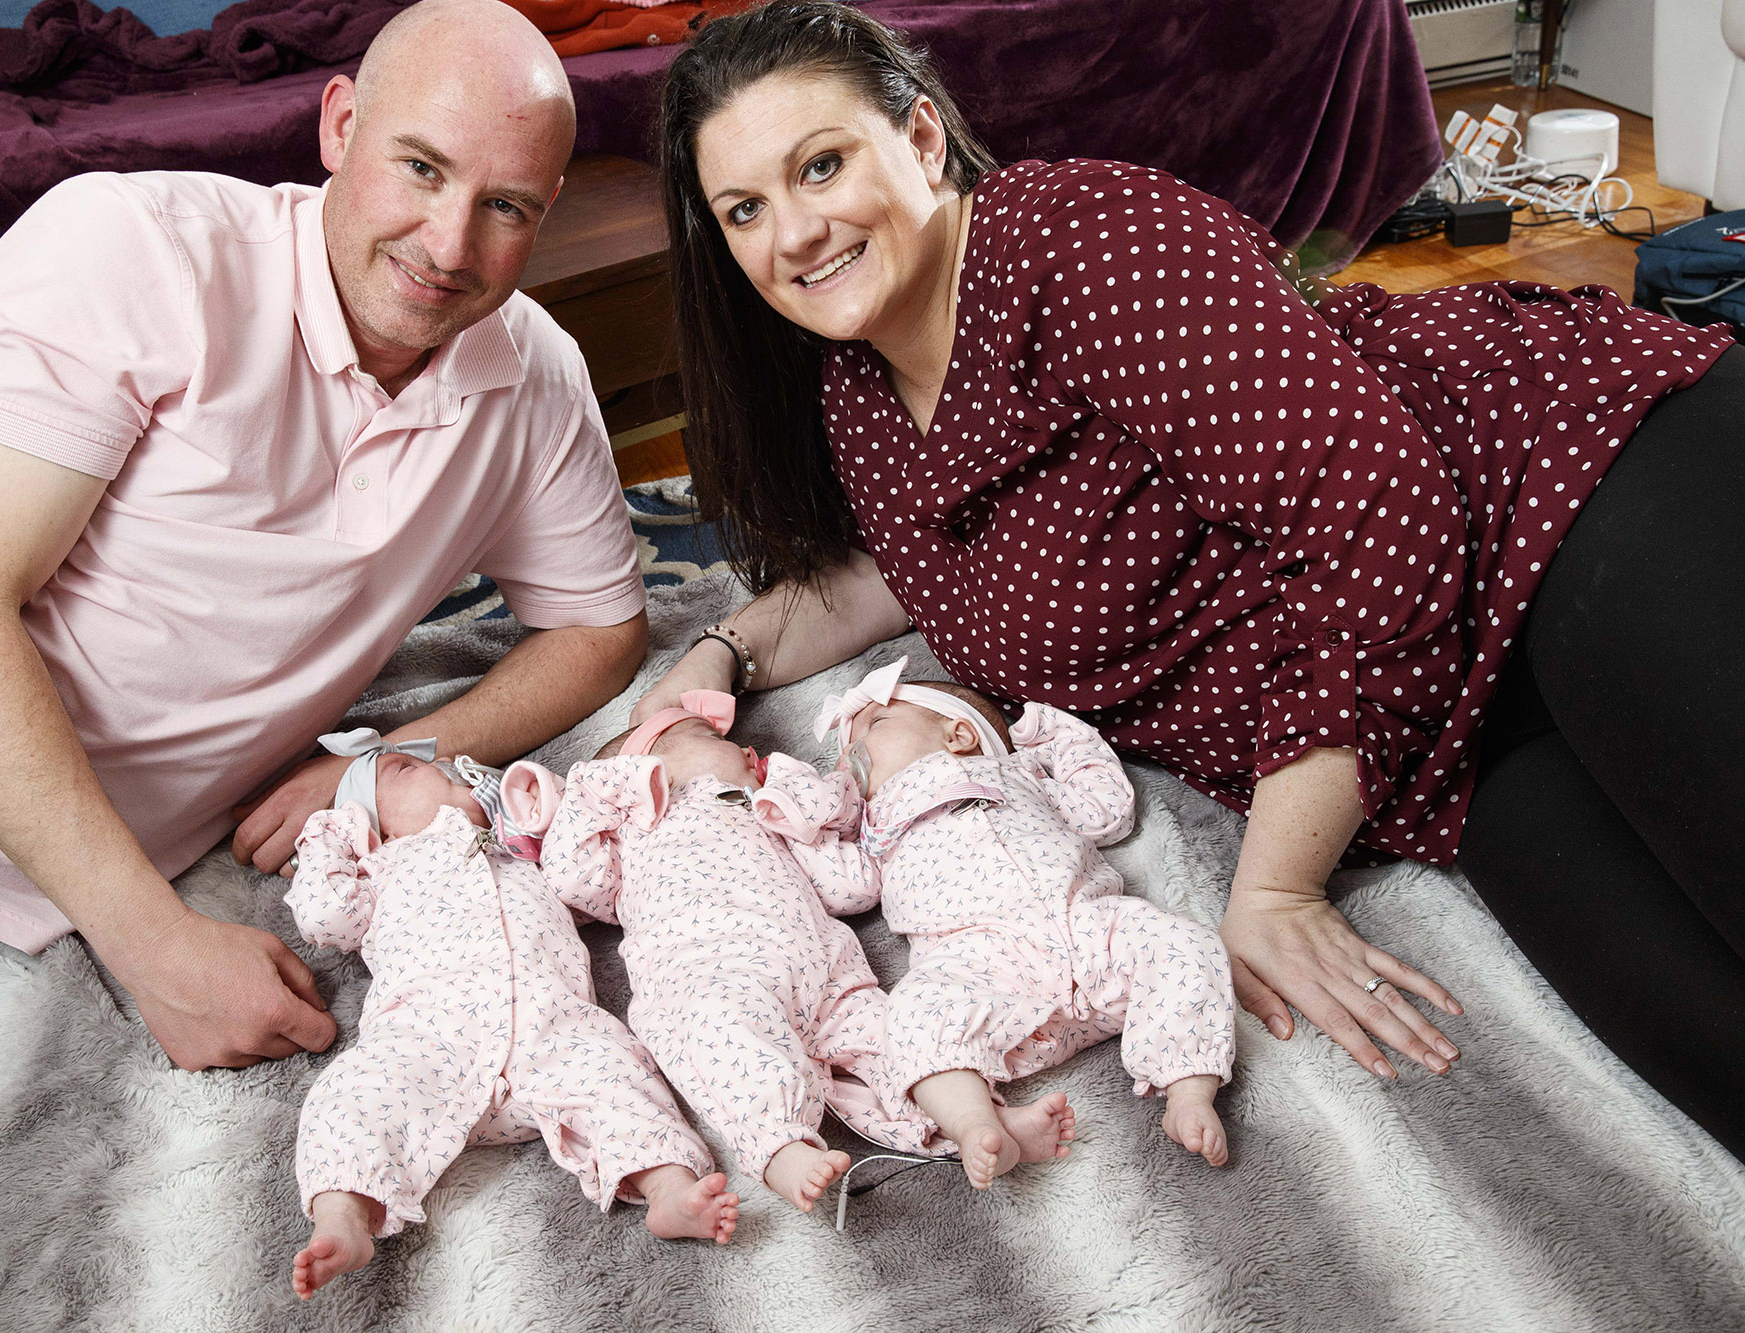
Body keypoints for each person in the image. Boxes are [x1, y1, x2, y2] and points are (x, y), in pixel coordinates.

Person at [640, 1, 1745, 1155]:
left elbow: (1380, 517)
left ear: (920, 140)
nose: (796, 234)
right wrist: (720, 654)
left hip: (1554, 491)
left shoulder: (1089, 243)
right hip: (1445, 739)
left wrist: (1270, 888)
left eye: (820, 166)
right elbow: (910, 566)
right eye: (746, 210)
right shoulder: (857, 395)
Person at [0, 0, 650, 1129]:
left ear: (545, 209)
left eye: (502, 206)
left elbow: (602, 627)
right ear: (338, 124)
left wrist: (385, 761)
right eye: (418, 168)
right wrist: (157, 947)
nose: (448, 244)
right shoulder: (137, 248)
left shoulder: (534, 378)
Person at [536, 691, 1077, 1212]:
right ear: (652, 763)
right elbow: (572, 879)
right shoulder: (636, 826)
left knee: (890, 1037)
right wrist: (600, 788)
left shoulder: (769, 812)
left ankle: (975, 1123)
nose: (749, 748)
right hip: (707, 972)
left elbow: (856, 887)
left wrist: (805, 814)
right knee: (724, 1041)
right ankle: (781, 1146)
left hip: (826, 971)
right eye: (711, 735)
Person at [286, 741, 737, 1300]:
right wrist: (330, 832)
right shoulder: (380, 871)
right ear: (372, 829)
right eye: (405, 770)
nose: (438, 768)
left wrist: (548, 811)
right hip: (429, 1040)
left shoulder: (523, 852)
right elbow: (323, 919)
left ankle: (669, 1187)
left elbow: (590, 885)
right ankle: (344, 1218)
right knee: (349, 1092)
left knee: (619, 1065)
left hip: (552, 1030)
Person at [759, 660, 1234, 1174]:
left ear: (959, 734)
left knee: (1180, 940)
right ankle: (976, 1123)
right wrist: (803, 820)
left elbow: (1106, 810)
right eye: (845, 750)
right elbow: (846, 890)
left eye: (875, 725)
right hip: (985, 969)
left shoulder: (1020, 775)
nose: (853, 753)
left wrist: (1053, 734)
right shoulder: (874, 825)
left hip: (1087, 926)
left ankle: (1187, 1087)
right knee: (913, 1011)